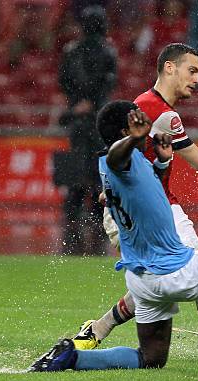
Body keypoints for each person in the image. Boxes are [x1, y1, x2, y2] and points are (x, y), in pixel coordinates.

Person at [29, 102, 198, 372]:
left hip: (143, 281)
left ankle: (72, 357)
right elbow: (117, 159)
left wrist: (163, 161)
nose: (146, 126)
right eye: (139, 122)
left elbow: (141, 186)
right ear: (127, 129)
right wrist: (134, 138)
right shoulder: (119, 159)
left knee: (151, 359)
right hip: (177, 270)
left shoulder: (126, 163)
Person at [70, 43, 198, 359]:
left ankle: (99, 329)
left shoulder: (145, 105)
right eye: (192, 70)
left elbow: (123, 156)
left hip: (141, 209)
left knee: (155, 280)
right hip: (151, 212)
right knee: (192, 268)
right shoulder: (162, 114)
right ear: (169, 67)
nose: (197, 80)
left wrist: (113, 188)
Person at [56, 5, 116, 255]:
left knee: (78, 172)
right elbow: (108, 83)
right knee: (98, 171)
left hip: (80, 120)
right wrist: (90, 101)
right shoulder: (107, 51)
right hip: (97, 120)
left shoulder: (72, 50)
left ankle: (72, 218)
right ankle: (98, 216)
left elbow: (64, 81)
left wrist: (76, 104)